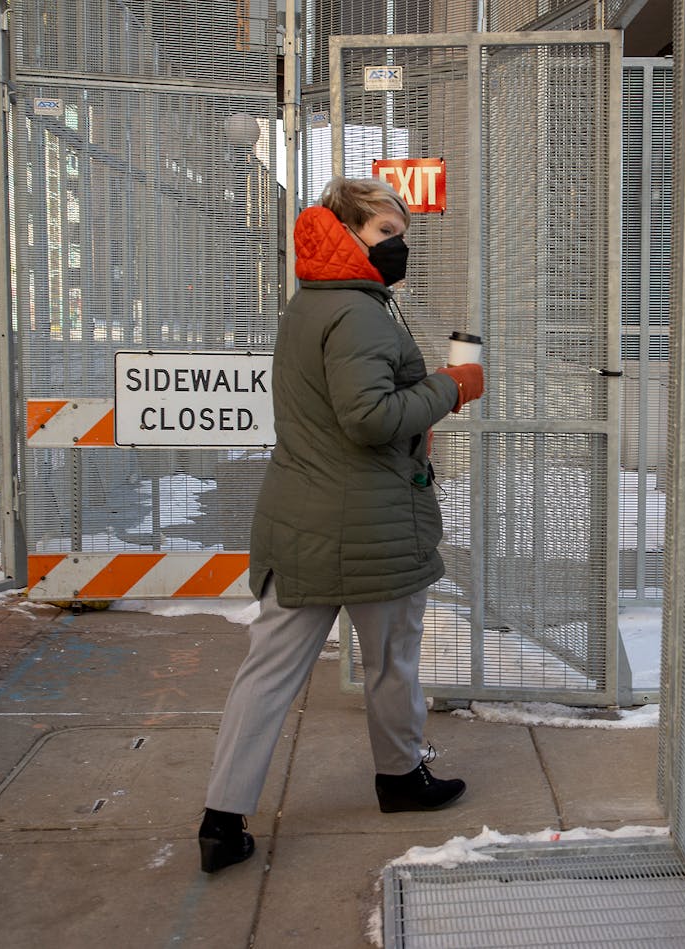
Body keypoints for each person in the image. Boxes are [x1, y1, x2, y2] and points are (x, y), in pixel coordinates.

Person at [198, 176, 485, 874]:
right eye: (387, 232)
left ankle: (222, 818)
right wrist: (453, 388)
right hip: (368, 522)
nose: (400, 245)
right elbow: (370, 419)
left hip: (302, 517)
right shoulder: (357, 314)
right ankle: (401, 776)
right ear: (346, 233)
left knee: (267, 672)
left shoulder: (313, 304)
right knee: (391, 661)